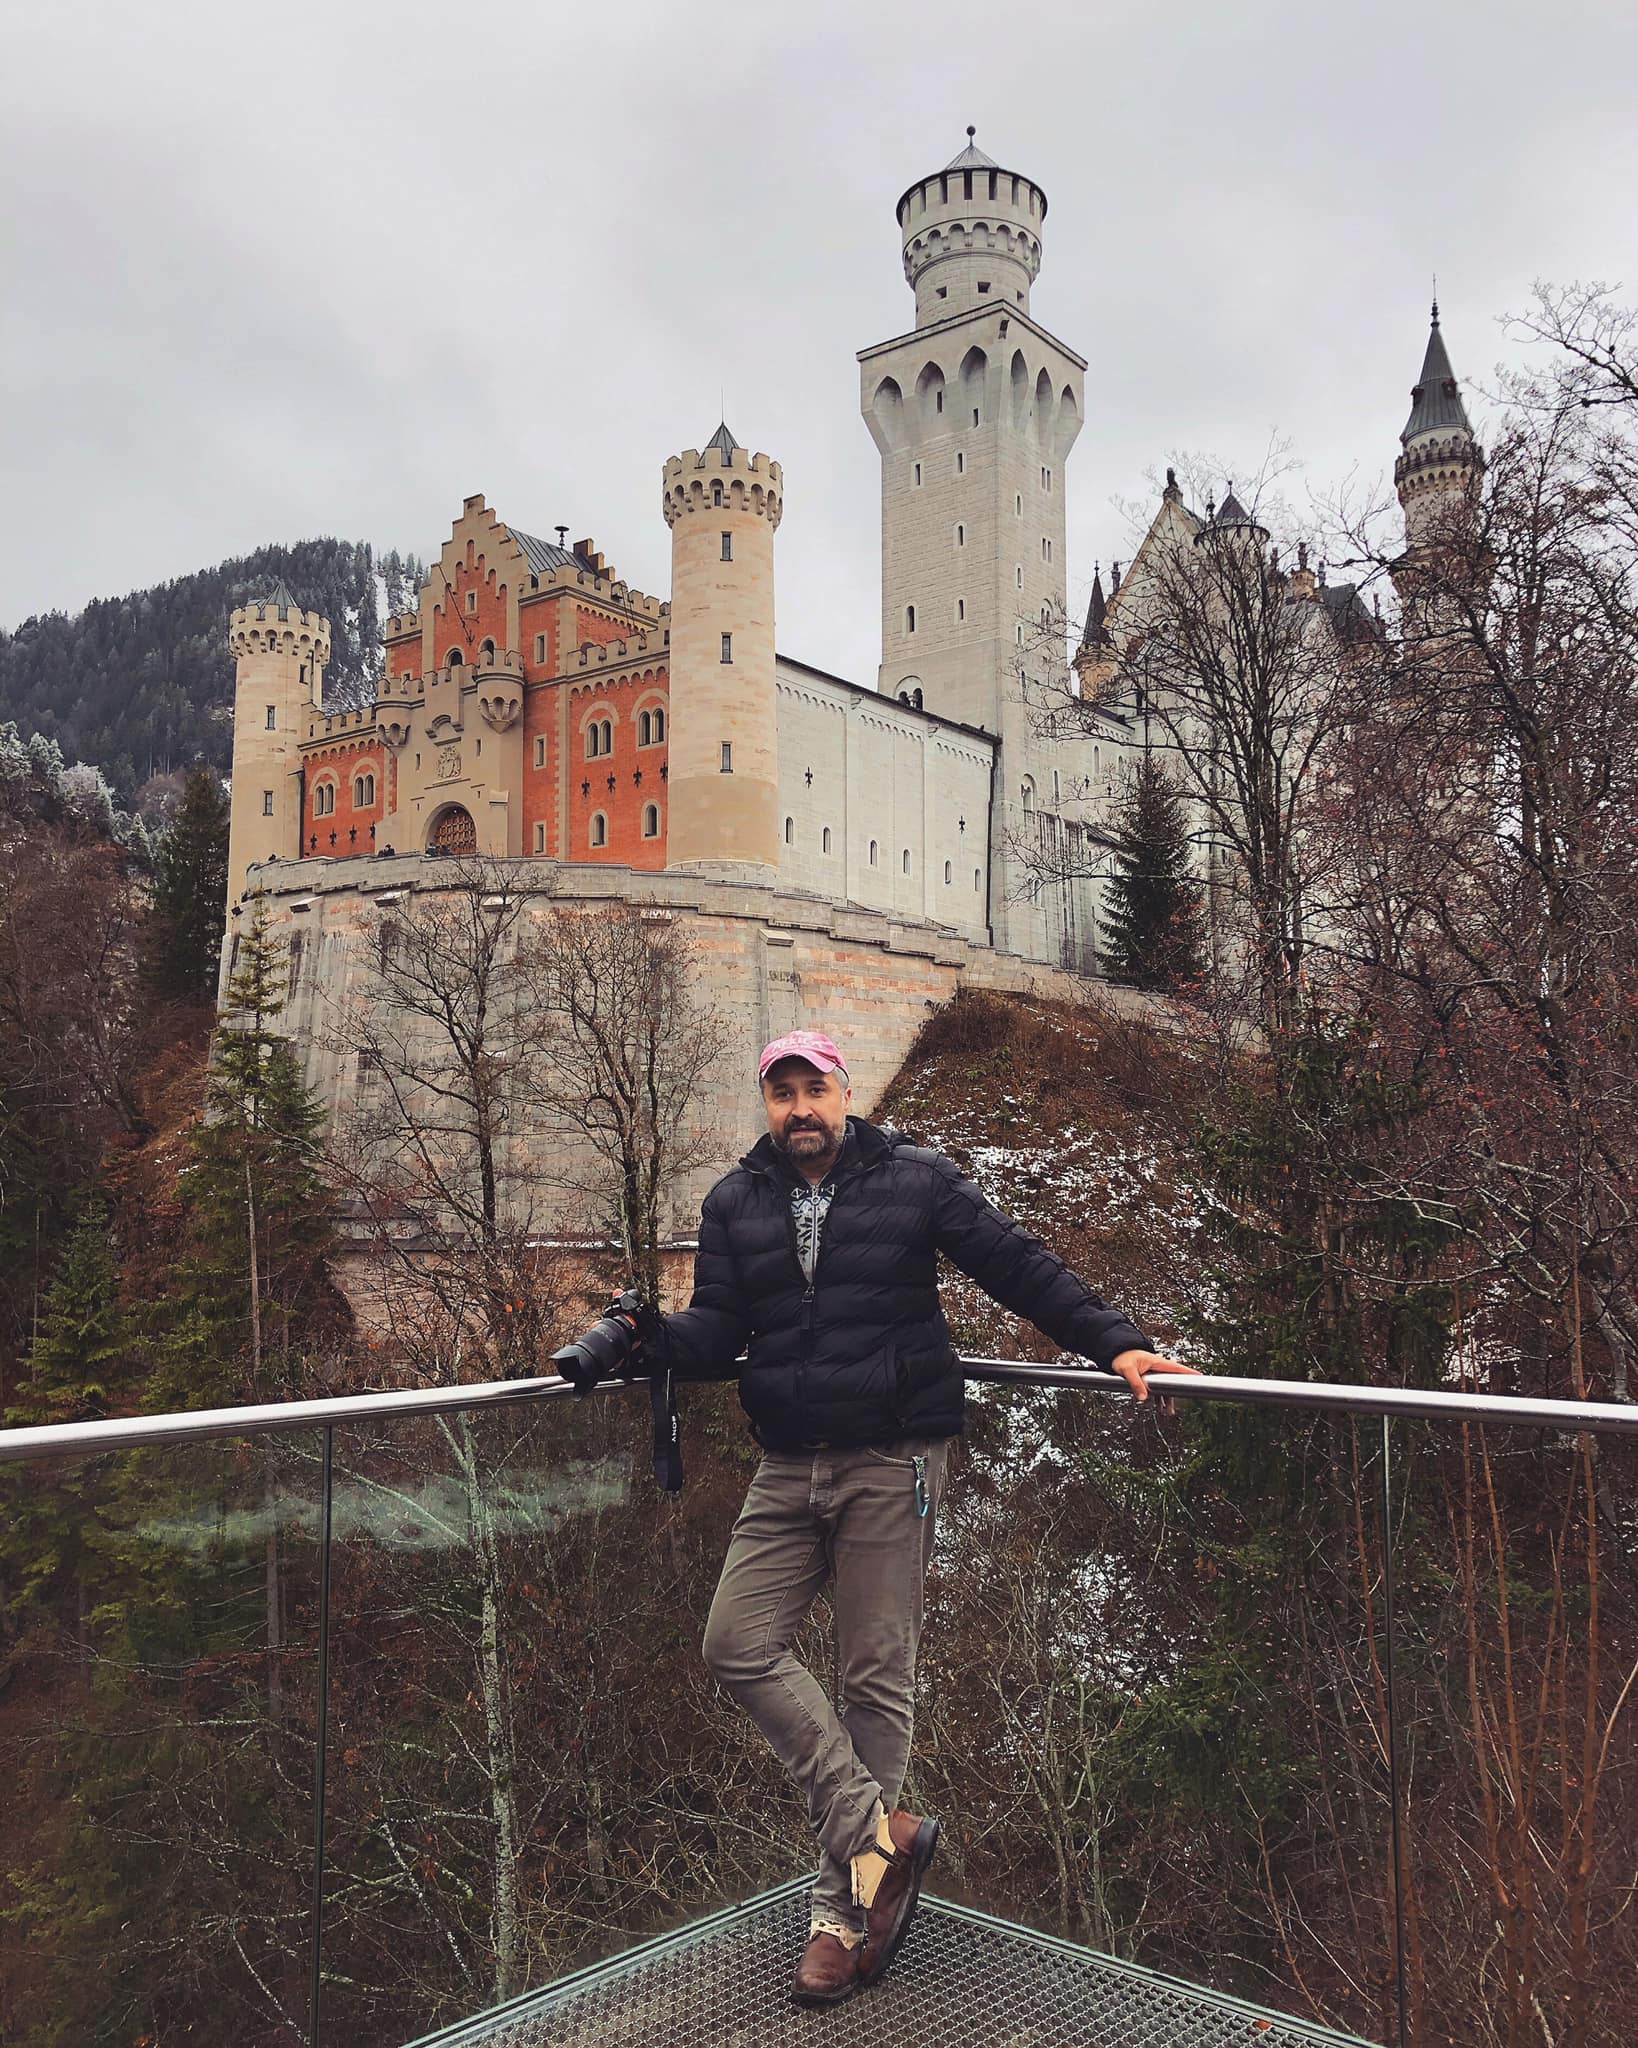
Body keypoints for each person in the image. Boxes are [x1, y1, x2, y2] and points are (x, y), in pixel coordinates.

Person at [650, 1028, 1200, 2008]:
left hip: (892, 1453)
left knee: (874, 1679)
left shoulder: (914, 1177)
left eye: (813, 1087)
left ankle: (842, 1909)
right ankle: (876, 1831)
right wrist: (645, 1336)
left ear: (844, 1090)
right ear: (766, 1104)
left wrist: (1118, 1341)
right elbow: (717, 1329)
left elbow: (1017, 1265)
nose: (799, 1107)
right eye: (781, 1092)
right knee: (735, 1641)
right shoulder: (736, 1200)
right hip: (787, 1460)